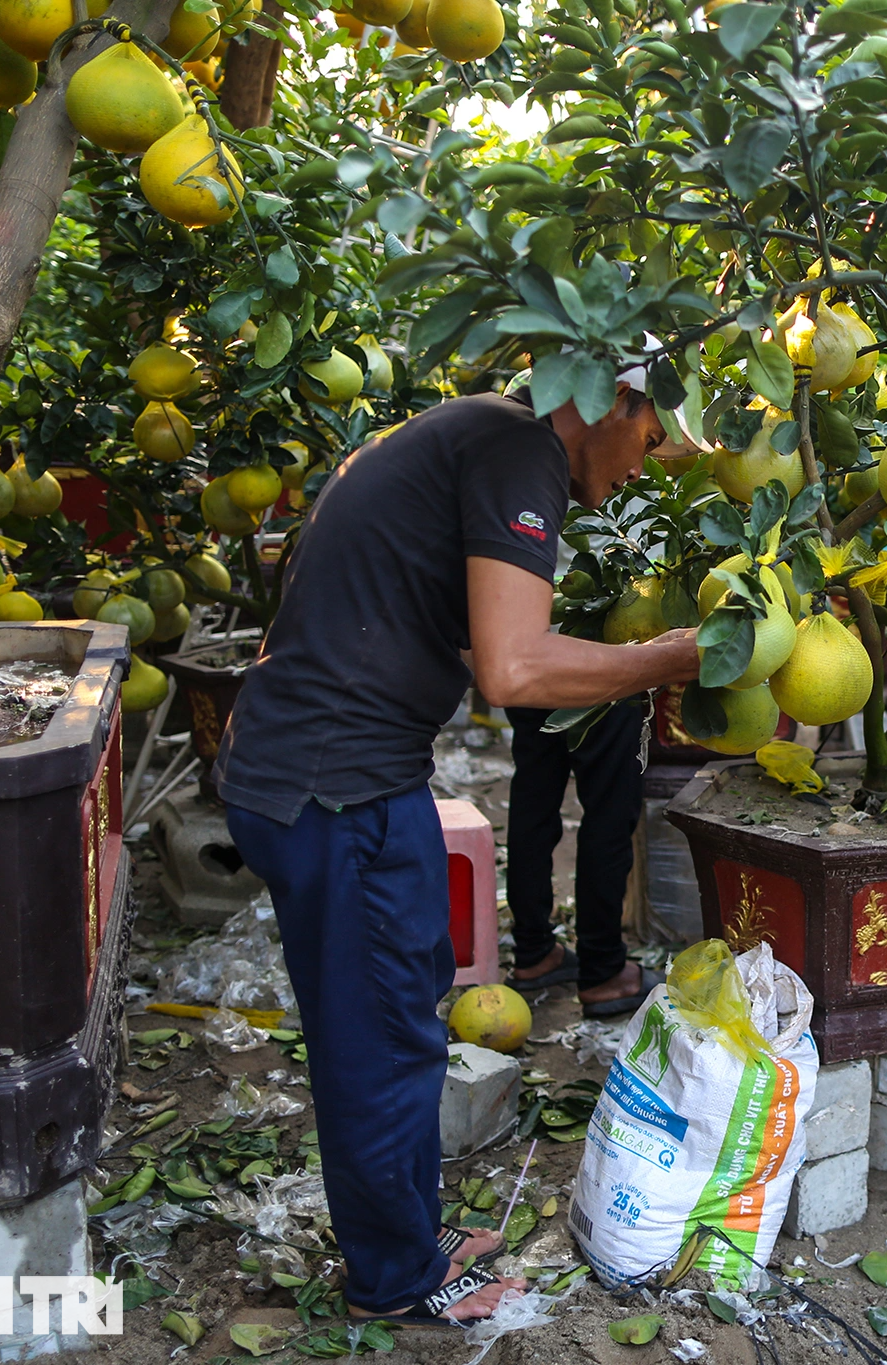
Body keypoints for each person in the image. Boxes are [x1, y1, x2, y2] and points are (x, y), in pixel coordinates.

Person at [214, 374, 701, 1323]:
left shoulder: (480, 433)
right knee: (380, 1037)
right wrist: (666, 659)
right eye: (650, 437)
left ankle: (407, 1229)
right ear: (611, 399)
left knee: (405, 1007)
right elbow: (514, 668)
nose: (645, 464)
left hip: (344, 777)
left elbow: (484, 647)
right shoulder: (519, 447)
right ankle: (394, 1279)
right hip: (332, 788)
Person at [502, 700, 655, 1016]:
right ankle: (604, 970)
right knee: (610, 805)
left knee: (535, 790)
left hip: (532, 662)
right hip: (599, 667)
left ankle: (533, 951)